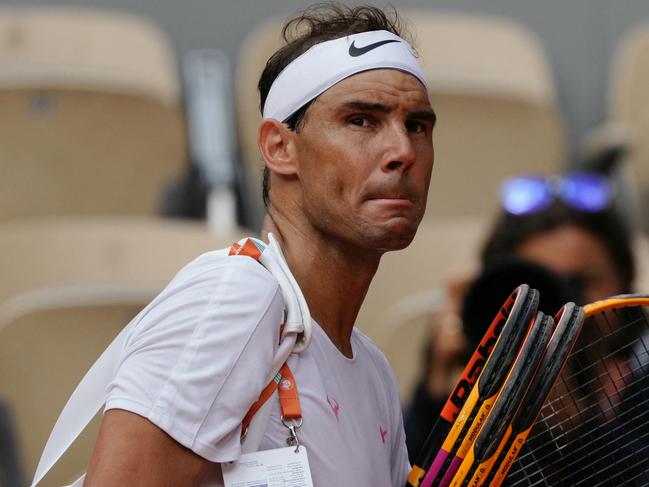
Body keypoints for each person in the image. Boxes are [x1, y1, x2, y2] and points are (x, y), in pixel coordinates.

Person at [84, 4, 436, 486]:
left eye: (417, 125)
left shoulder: (374, 373)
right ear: (279, 147)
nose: (402, 152)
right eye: (361, 120)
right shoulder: (233, 299)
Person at [404, 172, 637, 462]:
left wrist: (571, 423)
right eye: (538, 287)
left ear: (625, 284)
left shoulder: (640, 386)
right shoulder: (477, 390)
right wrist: (437, 388)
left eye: (580, 282)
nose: (564, 306)